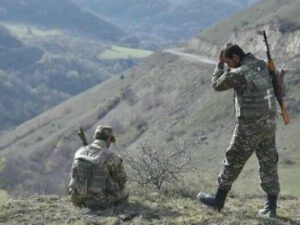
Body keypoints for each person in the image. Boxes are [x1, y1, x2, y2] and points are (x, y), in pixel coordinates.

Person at [197, 43, 280, 218]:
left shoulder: (239, 73)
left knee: (233, 159)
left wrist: (219, 65)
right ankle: (271, 207)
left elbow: (217, 84)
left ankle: (218, 199)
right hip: (269, 123)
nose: (229, 66)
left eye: (229, 63)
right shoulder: (262, 65)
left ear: (235, 58)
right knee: (269, 162)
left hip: (249, 126)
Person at [69, 125, 129, 210]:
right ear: (108, 139)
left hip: (76, 200)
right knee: (125, 192)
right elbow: (122, 180)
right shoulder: (110, 155)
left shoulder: (79, 151)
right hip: (98, 203)